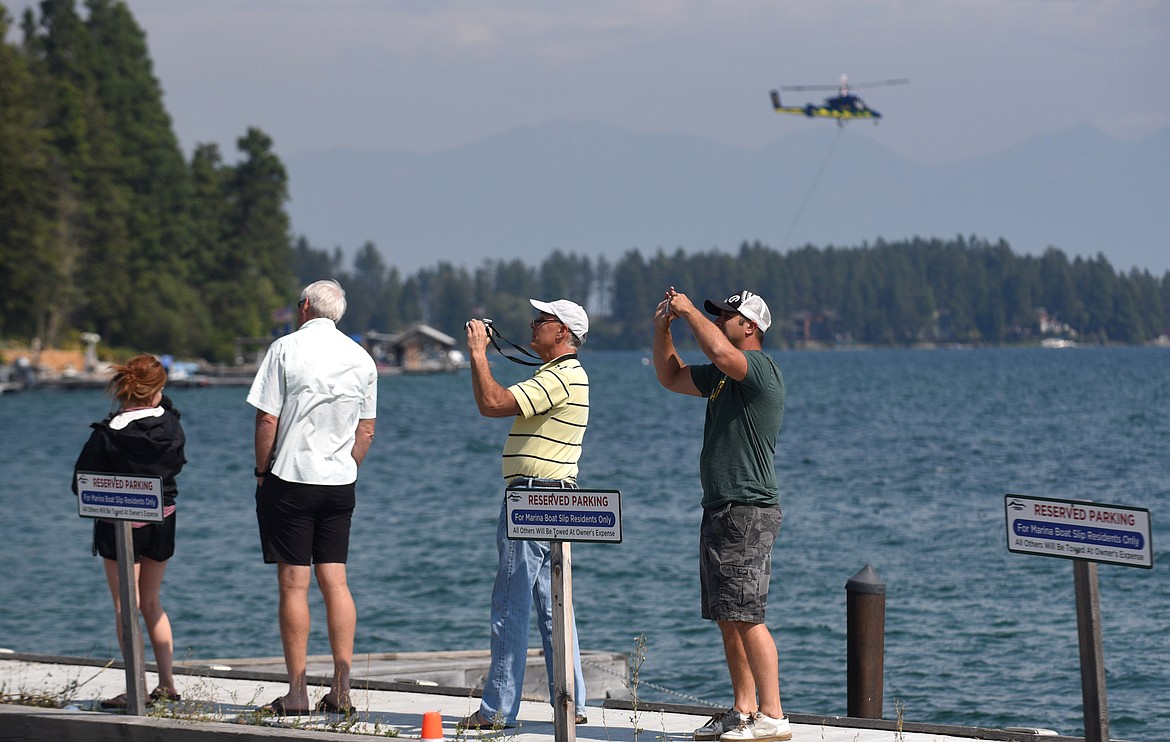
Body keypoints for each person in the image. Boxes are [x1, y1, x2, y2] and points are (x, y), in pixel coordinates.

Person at [652, 288, 791, 742]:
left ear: (749, 326)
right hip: (720, 507)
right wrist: (663, 329)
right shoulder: (721, 376)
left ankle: (773, 716)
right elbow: (670, 376)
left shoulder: (760, 368)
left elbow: (718, 351)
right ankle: (744, 709)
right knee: (729, 615)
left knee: (747, 615)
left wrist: (689, 310)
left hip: (747, 509)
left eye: (727, 316)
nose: (720, 320)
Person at [246, 279, 378, 716]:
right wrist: (347, 465)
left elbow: (267, 419)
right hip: (339, 482)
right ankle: (342, 690)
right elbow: (366, 430)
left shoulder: (285, 349)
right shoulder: (362, 358)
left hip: (291, 476)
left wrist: (262, 472)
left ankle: (298, 693)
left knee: (294, 584)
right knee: (336, 581)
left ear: (304, 307)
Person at [460, 299, 590, 729]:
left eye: (542, 320)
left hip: (532, 498)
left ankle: (498, 710)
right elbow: (492, 403)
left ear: (562, 332)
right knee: (555, 606)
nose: (533, 325)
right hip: (557, 498)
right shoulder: (564, 374)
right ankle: (573, 702)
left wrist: (478, 352)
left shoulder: (559, 376)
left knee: (509, 604)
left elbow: (493, 402)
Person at [72, 353, 186, 710]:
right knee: (151, 602)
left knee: (126, 607)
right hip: (163, 518)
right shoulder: (171, 426)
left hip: (119, 527)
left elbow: (81, 484)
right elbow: (177, 464)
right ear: (157, 390)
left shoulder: (108, 433)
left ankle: (137, 688)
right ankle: (167, 683)